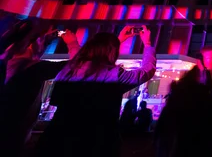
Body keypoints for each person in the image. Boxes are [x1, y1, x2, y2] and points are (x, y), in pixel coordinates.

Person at [35, 26, 156, 157]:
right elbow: (146, 71)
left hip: (57, 138)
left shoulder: (67, 70)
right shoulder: (114, 75)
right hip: (96, 142)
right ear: (112, 52)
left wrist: (73, 43)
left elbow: (80, 59)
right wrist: (147, 44)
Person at [0, 22, 80, 157]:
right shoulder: (35, 69)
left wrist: (40, 45)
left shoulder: (6, 63)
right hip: (11, 136)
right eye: (41, 38)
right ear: (31, 43)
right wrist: (72, 43)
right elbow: (77, 67)